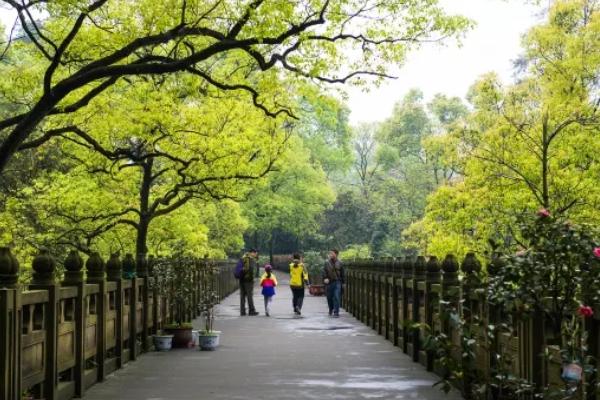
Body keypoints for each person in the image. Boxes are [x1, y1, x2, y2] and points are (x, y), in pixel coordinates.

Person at [323, 249, 344, 317]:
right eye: (330, 253)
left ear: (336, 254)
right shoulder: (327, 263)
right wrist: (325, 278)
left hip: (337, 282)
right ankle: (331, 309)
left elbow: (342, 274)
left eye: (332, 253)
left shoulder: (340, 263)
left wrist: (343, 283)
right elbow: (324, 271)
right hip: (329, 282)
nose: (330, 254)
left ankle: (336, 312)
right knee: (329, 297)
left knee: (336, 296)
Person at [239, 249, 259, 316]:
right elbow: (251, 269)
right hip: (248, 281)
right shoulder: (250, 259)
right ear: (252, 253)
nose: (256, 255)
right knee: (249, 296)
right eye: (255, 253)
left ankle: (242, 311)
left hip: (241, 279)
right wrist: (252, 279)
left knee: (242, 296)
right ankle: (251, 311)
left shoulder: (243, 258)